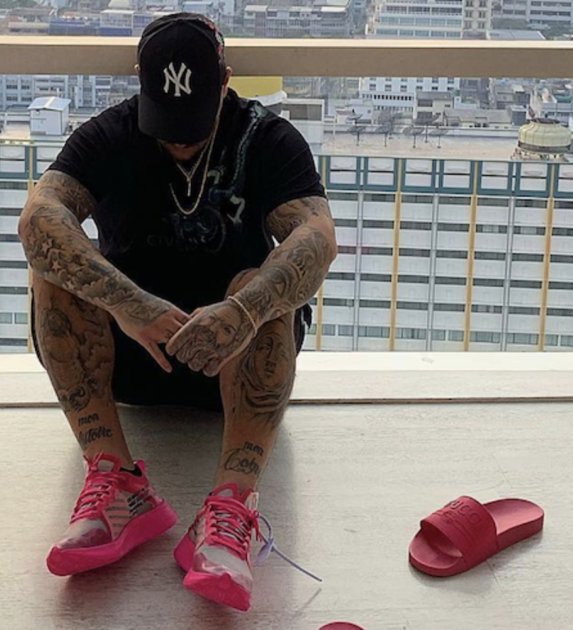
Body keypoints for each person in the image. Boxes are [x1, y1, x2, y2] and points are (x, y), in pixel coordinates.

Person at [18, 13, 336, 612]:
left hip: (237, 365)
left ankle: (232, 509)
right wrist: (130, 305)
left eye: (193, 121)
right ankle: (116, 482)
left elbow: (317, 237)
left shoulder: (267, 139)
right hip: (128, 359)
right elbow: (38, 220)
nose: (180, 140)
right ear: (140, 82)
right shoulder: (109, 134)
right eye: (167, 122)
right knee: (53, 264)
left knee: (267, 285)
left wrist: (242, 311)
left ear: (226, 82)